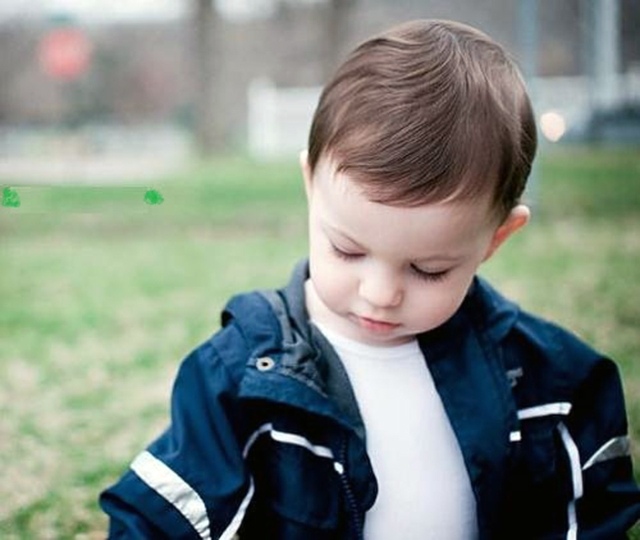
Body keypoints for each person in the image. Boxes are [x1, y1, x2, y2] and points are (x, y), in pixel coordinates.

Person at [100, 19, 640, 539]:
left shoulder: (555, 383)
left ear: (495, 239)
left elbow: (591, 514)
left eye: (429, 269)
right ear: (311, 183)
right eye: (347, 249)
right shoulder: (244, 375)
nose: (381, 293)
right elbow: (160, 518)